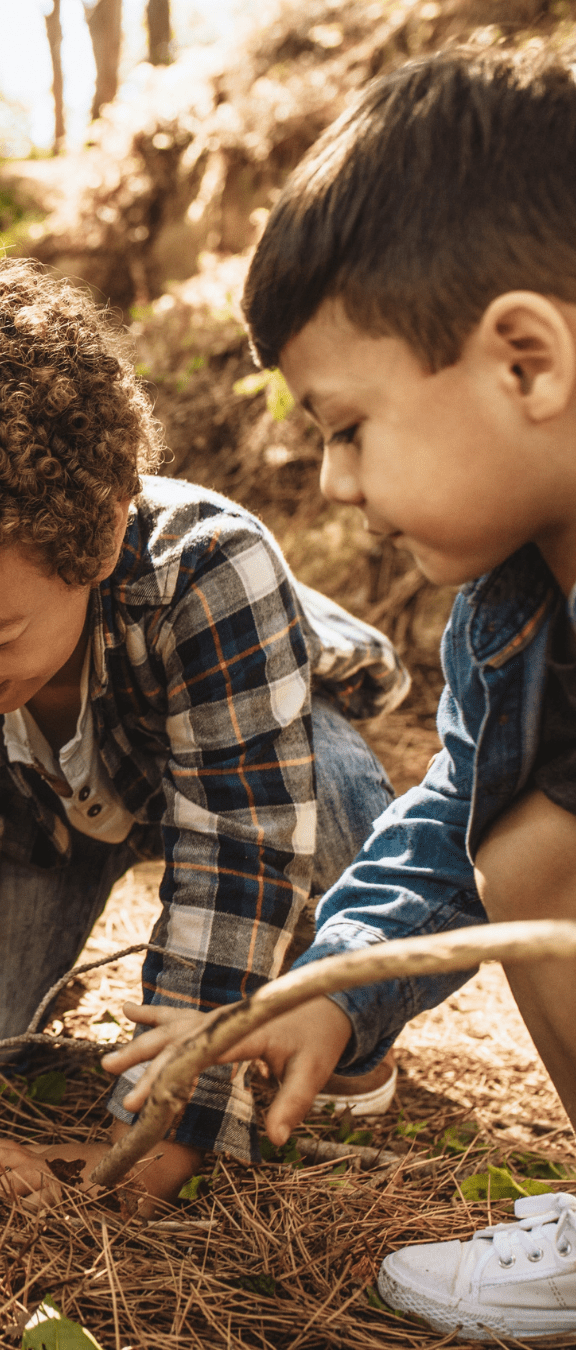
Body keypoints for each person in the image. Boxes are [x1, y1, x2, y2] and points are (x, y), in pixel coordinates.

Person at [0, 246, 407, 1207]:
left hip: (226, 758)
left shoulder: (210, 571)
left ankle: (341, 1025)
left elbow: (239, 848)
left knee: (340, 802)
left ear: (100, 534)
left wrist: (169, 1118)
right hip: (41, 822)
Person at [105, 46, 576, 1341]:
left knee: (542, 850)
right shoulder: (512, 610)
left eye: (349, 424)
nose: (332, 482)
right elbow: (442, 818)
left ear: (526, 362)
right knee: (512, 830)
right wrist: (328, 984)